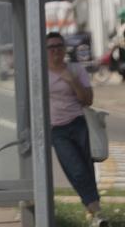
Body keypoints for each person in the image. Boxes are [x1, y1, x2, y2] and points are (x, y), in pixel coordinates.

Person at [47, 30, 105, 226]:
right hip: (57, 129)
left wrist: (72, 80)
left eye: (59, 46)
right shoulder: (40, 72)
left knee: (86, 169)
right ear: (45, 51)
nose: (55, 50)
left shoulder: (76, 69)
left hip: (79, 123)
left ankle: (94, 212)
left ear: (65, 49)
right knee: (75, 169)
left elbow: (87, 100)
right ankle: (96, 212)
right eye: (51, 47)